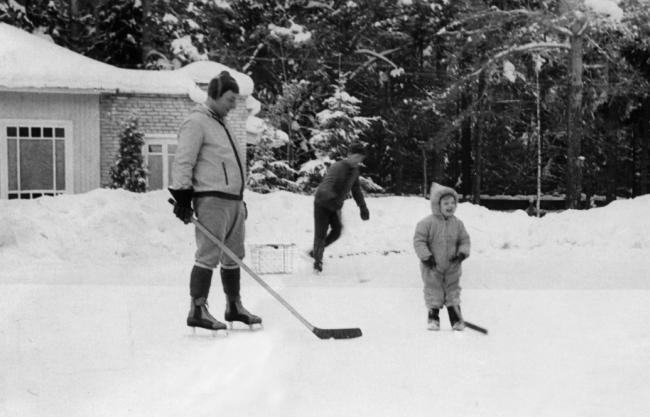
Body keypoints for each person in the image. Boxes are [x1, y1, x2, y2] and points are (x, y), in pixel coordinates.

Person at [168, 71, 261, 332]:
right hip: (211, 199)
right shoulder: (196, 122)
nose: (233, 105)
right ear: (215, 95)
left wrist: (238, 199)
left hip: (232, 201)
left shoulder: (222, 122)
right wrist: (183, 196)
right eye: (230, 99)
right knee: (208, 254)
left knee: (234, 256)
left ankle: (234, 306)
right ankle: (197, 308)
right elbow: (184, 160)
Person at [413, 183, 470, 331]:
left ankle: (456, 320)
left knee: (453, 292)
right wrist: (426, 256)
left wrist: (462, 253)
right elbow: (419, 241)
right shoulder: (427, 223)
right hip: (432, 266)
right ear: (437, 205)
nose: (450, 206)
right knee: (434, 291)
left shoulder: (458, 224)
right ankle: (433, 319)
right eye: (446, 203)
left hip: (452, 266)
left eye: (453, 203)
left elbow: (464, 240)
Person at [311, 142, 370, 272]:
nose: (357, 161)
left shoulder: (355, 171)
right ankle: (317, 262)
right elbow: (328, 184)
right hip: (322, 202)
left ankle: (314, 253)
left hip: (335, 205)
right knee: (320, 234)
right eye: (356, 157)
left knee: (337, 231)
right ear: (349, 155)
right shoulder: (337, 167)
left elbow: (356, 190)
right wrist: (333, 198)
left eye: (360, 159)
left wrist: (362, 207)